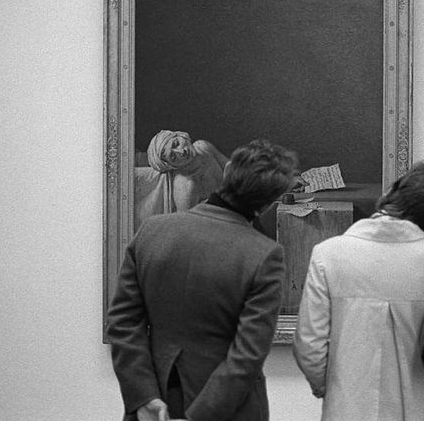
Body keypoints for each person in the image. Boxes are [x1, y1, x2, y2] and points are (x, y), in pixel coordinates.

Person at [107, 139, 299, 421]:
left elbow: (122, 323)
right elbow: (246, 356)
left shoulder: (152, 231)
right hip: (227, 410)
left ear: (228, 170)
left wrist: (144, 396)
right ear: (270, 202)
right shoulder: (264, 254)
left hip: (155, 401)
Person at [293, 161, 424, 421]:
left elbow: (309, 345)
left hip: (349, 410)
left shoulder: (328, 254)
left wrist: (333, 390)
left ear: (391, 194)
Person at [134, 130, 230, 229]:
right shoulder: (186, 186)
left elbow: (231, 167)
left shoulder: (203, 147)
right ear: (172, 166)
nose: (181, 151)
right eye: (173, 157)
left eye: (176, 144)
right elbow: (190, 228)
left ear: (181, 135)